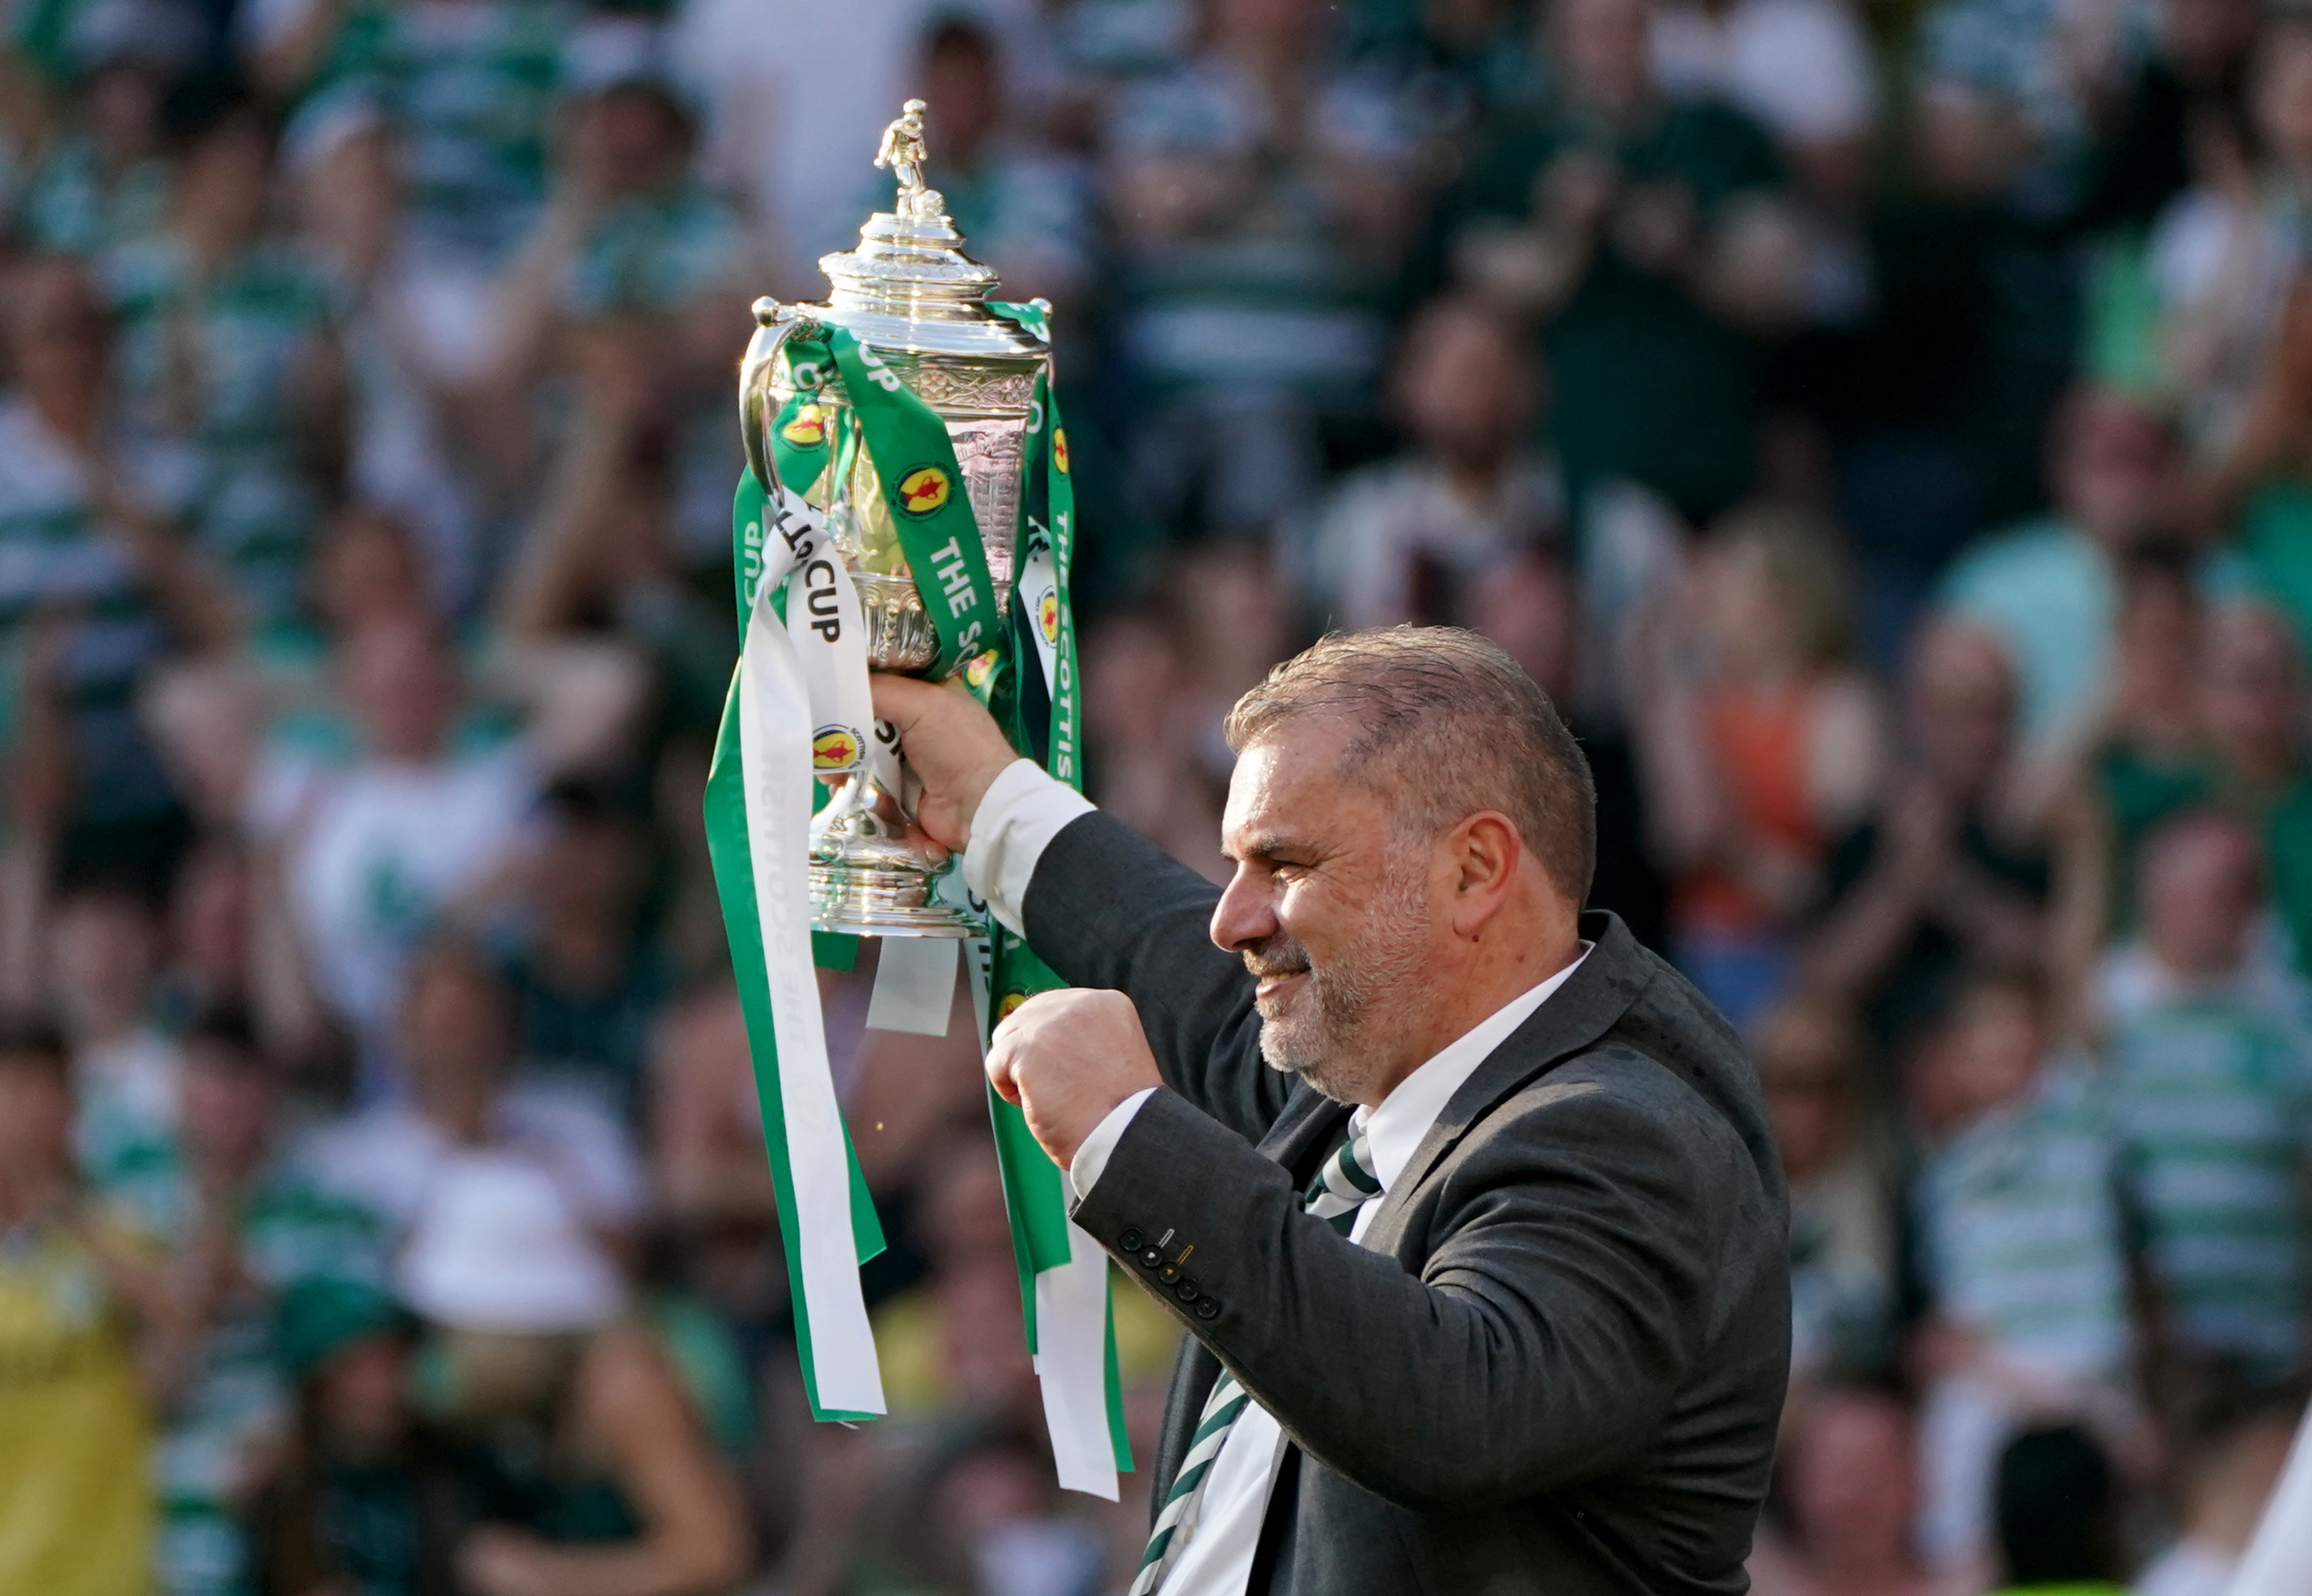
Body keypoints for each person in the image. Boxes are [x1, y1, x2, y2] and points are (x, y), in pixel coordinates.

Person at [873, 625, 1788, 1592]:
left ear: (1473, 870)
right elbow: (1189, 981)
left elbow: (1452, 1404)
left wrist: (1128, 1134)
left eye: (1286, 865)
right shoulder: (1401, 1074)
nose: (1233, 918)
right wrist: (984, 801)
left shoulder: (1626, 1132)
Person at [391, 1152, 752, 1596]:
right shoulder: (517, 1393)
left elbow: (715, 1555)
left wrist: (550, 1576)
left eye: (452, 1328)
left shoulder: (623, 1383)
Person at [1907, 974, 2135, 1580]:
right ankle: (1965, 1579)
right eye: (1981, 1054)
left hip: (2088, 1365)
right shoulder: (1946, 1171)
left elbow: (2078, 985)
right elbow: (1956, 1288)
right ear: (1954, 1064)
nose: (2001, 1067)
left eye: (2017, 1048)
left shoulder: (2077, 1129)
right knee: (1953, 1461)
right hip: (1993, 1370)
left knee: (2137, 1481)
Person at [2098, 813, 2312, 1397]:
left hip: (2274, 1345)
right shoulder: (2101, 1011)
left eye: (2252, 887)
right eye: (2226, 887)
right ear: (2162, 892)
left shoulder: (2289, 1014)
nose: (2246, 905)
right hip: (2144, 1361)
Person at [0, 1017, 169, 1596]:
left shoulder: (120, 1234)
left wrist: (65, 1212)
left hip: (110, 1577)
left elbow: (179, 1332)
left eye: (44, 1089)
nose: (25, 1112)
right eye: (11, 1089)